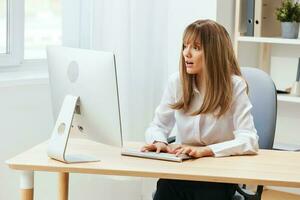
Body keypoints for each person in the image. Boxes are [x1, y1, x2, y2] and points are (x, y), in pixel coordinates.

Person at [141, 19, 259, 200]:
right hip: (182, 173)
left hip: (217, 177)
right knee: (165, 185)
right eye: (185, 46)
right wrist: (159, 141)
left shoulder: (235, 86)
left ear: (214, 53)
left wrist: (209, 150)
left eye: (196, 47)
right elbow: (157, 126)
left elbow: (250, 139)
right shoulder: (177, 82)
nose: (186, 53)